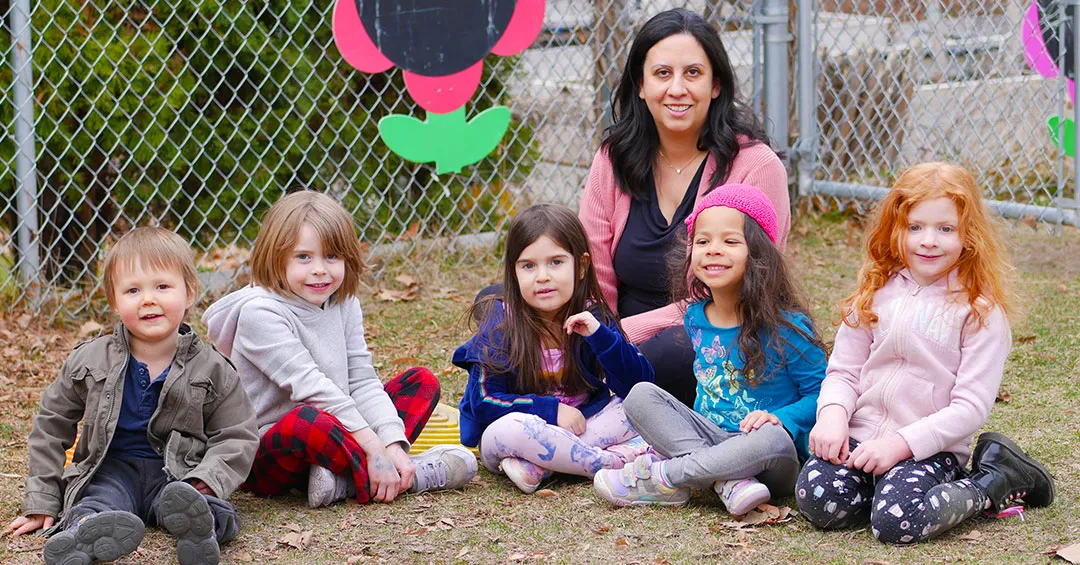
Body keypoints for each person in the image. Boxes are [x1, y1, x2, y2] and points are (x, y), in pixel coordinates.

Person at [796, 162, 1055, 544]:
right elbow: (844, 373)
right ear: (894, 229)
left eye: (945, 228)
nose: (928, 240)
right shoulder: (874, 292)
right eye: (914, 227)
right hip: (861, 438)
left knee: (895, 523)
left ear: (969, 235)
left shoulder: (979, 312)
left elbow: (970, 408)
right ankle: (883, 490)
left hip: (927, 448)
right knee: (817, 497)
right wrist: (832, 418)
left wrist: (898, 446)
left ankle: (993, 481)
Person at [203, 190, 476, 509]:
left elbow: (361, 381)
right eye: (303, 257)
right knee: (307, 420)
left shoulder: (344, 303)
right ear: (275, 258)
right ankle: (408, 479)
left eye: (332, 256)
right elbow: (312, 389)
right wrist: (374, 448)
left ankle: (355, 477)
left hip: (339, 434)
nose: (320, 269)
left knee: (421, 383)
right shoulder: (258, 313)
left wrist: (392, 445)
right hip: (271, 451)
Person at [7, 227, 259, 565]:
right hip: (112, 470)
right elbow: (52, 425)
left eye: (162, 287)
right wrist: (43, 498)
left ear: (191, 291)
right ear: (114, 300)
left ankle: (201, 531)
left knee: (204, 505)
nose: (148, 299)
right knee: (95, 501)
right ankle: (84, 533)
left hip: (180, 473)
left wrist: (208, 479)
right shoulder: (89, 360)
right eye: (133, 290)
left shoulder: (213, 369)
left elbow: (237, 433)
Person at [579, 8, 790, 408]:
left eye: (693, 73)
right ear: (640, 85)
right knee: (505, 306)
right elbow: (594, 271)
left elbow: (743, 290)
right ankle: (584, 399)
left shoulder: (756, 167)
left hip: (715, 337)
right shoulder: (613, 159)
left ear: (716, 85)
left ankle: (595, 406)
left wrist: (622, 335)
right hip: (617, 337)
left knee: (674, 353)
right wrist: (598, 338)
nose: (677, 88)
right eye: (662, 74)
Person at [592, 185, 826, 513]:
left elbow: (822, 395)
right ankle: (726, 480)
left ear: (759, 253)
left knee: (772, 436)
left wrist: (779, 418)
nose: (713, 250)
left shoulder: (788, 326)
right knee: (640, 396)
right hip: (711, 438)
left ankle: (666, 476)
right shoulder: (695, 317)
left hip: (767, 456)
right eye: (703, 241)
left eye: (730, 241)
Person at [455, 204, 655, 494]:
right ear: (513, 272)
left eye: (556, 262)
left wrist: (600, 337)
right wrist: (550, 411)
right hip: (519, 429)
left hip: (583, 424)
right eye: (528, 266)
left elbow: (639, 385)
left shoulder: (592, 317)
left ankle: (543, 465)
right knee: (511, 429)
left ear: (582, 266)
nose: (543, 276)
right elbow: (483, 401)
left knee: (635, 409)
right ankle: (610, 462)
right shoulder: (501, 323)